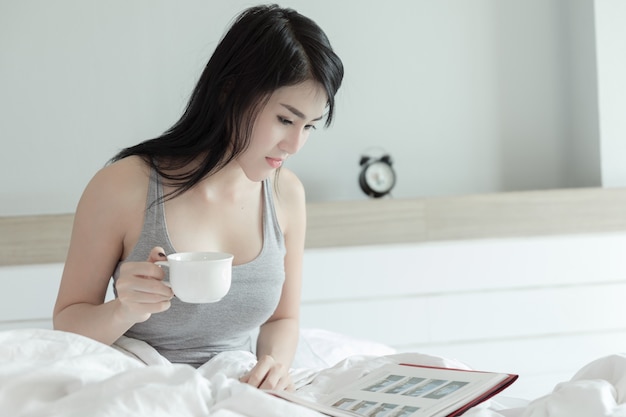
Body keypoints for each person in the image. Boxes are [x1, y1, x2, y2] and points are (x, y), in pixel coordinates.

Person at [53, 4, 343, 392]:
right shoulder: (124, 186)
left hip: (236, 389)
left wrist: (273, 364)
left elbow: (281, 319)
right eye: (285, 120)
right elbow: (67, 323)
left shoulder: (286, 192)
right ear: (229, 93)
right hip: (140, 386)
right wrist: (124, 310)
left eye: (308, 126)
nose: (294, 144)